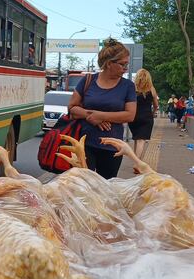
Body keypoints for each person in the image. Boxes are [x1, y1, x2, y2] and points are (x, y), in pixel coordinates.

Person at [67, 38, 136, 179]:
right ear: (109, 63)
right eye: (122, 64)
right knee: (84, 186)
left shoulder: (127, 86)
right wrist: (90, 116)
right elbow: (72, 108)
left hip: (113, 147)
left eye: (127, 64)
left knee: (106, 188)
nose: (126, 68)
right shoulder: (87, 80)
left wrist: (101, 115)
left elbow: (130, 115)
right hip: (84, 145)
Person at [129, 69, 159, 169]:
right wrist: (153, 112)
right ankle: (137, 164)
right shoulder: (151, 89)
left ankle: (136, 160)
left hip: (133, 117)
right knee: (141, 140)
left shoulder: (133, 88)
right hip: (146, 117)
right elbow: (156, 105)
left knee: (136, 139)